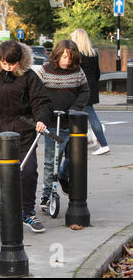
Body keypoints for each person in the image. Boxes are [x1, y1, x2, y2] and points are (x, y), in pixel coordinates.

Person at [0, 40, 51, 234]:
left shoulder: (29, 77)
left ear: (20, 61)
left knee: (28, 171)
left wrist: (41, 119)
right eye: (5, 63)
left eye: (12, 64)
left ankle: (27, 212)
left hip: (22, 131)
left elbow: (41, 101)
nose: (8, 67)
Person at [34, 39, 89, 208]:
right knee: (51, 160)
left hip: (71, 122)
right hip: (51, 123)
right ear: (57, 56)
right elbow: (36, 93)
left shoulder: (78, 72)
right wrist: (42, 113)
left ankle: (64, 176)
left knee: (74, 158)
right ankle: (46, 194)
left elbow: (85, 92)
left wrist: (75, 108)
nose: (67, 61)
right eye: (64, 57)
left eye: (70, 57)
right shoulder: (44, 71)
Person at [70, 28, 110, 155]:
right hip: (91, 88)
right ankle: (84, 140)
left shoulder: (76, 55)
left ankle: (103, 144)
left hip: (80, 89)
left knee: (88, 117)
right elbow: (97, 73)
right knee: (86, 115)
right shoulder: (93, 53)